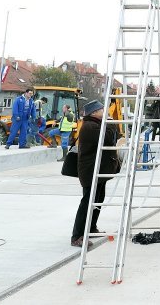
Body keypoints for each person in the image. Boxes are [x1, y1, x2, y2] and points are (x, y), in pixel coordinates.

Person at [71, 100, 119, 248]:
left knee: (98, 199)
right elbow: (108, 139)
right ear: (94, 113)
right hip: (90, 172)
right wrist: (110, 123)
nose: (105, 111)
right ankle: (77, 236)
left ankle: (91, 227)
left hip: (97, 170)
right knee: (87, 202)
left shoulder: (95, 125)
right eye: (101, 110)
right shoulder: (91, 127)